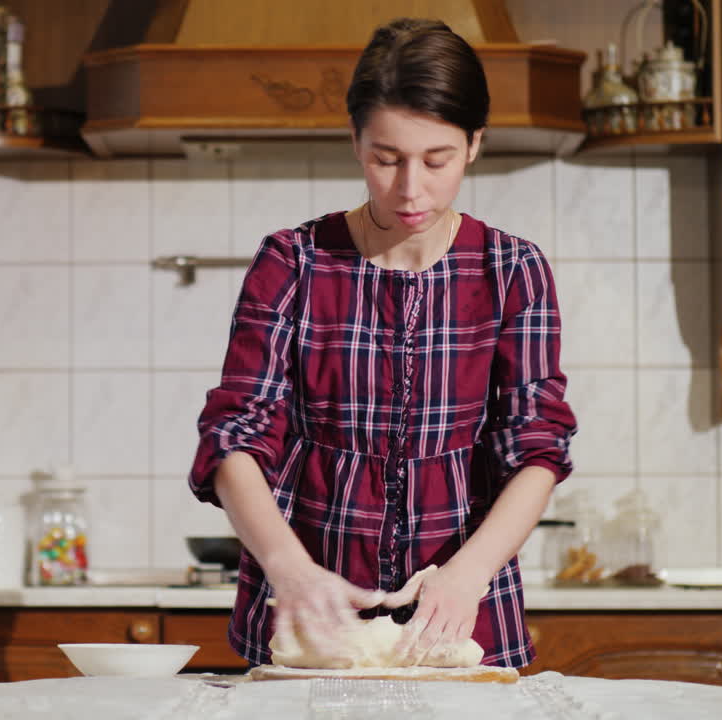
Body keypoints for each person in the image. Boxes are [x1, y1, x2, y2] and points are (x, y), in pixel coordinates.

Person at [188, 17, 577, 669]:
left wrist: (467, 574)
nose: (409, 189)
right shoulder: (295, 263)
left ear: (475, 143)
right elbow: (233, 435)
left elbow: (538, 447)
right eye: (386, 158)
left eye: (437, 159)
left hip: (460, 618)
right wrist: (290, 570)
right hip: (311, 623)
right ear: (355, 141)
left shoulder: (512, 271)